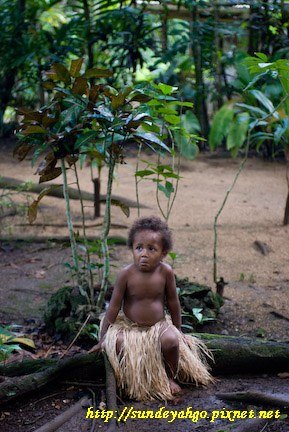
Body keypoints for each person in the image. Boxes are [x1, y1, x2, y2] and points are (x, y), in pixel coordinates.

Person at [89, 216, 213, 401]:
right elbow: (114, 307)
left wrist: (179, 331)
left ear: (163, 253)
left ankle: (169, 377)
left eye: (151, 249)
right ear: (132, 248)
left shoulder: (165, 272)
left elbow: (173, 303)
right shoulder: (126, 274)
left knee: (171, 341)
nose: (143, 254)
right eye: (139, 248)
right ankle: (130, 382)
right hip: (131, 327)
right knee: (118, 343)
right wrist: (103, 339)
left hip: (158, 326)